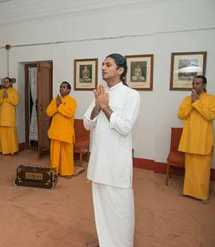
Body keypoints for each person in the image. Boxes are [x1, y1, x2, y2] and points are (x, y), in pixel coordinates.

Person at [83, 53, 140, 247]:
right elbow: (87, 124)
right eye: (103, 65)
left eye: (108, 65)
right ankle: (105, 242)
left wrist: (105, 107)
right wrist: (97, 107)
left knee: (120, 209)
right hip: (99, 161)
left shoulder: (131, 95)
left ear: (120, 70)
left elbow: (124, 127)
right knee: (101, 209)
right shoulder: (101, 94)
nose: (103, 68)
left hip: (116, 163)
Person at [178, 75, 215, 203]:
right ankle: (188, 191)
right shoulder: (187, 99)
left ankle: (202, 195)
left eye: (198, 83)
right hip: (190, 138)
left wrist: (197, 102)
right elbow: (181, 115)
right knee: (190, 168)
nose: (194, 86)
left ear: (204, 85)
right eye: (193, 83)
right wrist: (192, 102)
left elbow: (210, 115)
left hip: (203, 139)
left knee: (203, 170)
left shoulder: (212, 99)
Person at [46, 81, 76, 177]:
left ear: (69, 90)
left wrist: (59, 105)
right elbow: (48, 112)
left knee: (66, 154)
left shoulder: (72, 101)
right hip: (55, 131)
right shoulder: (55, 100)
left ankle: (67, 172)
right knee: (55, 154)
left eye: (63, 87)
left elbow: (69, 113)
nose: (61, 88)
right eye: (60, 87)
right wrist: (56, 105)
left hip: (66, 132)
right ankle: (55, 171)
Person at [0, 77, 19, 155]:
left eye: (7, 82)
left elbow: (16, 102)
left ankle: (12, 150)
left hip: (10, 117)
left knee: (11, 135)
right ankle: (4, 151)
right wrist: (3, 97)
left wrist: (7, 98)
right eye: (4, 82)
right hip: (2, 117)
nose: (6, 83)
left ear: (10, 83)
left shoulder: (14, 91)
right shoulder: (0, 91)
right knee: (3, 135)